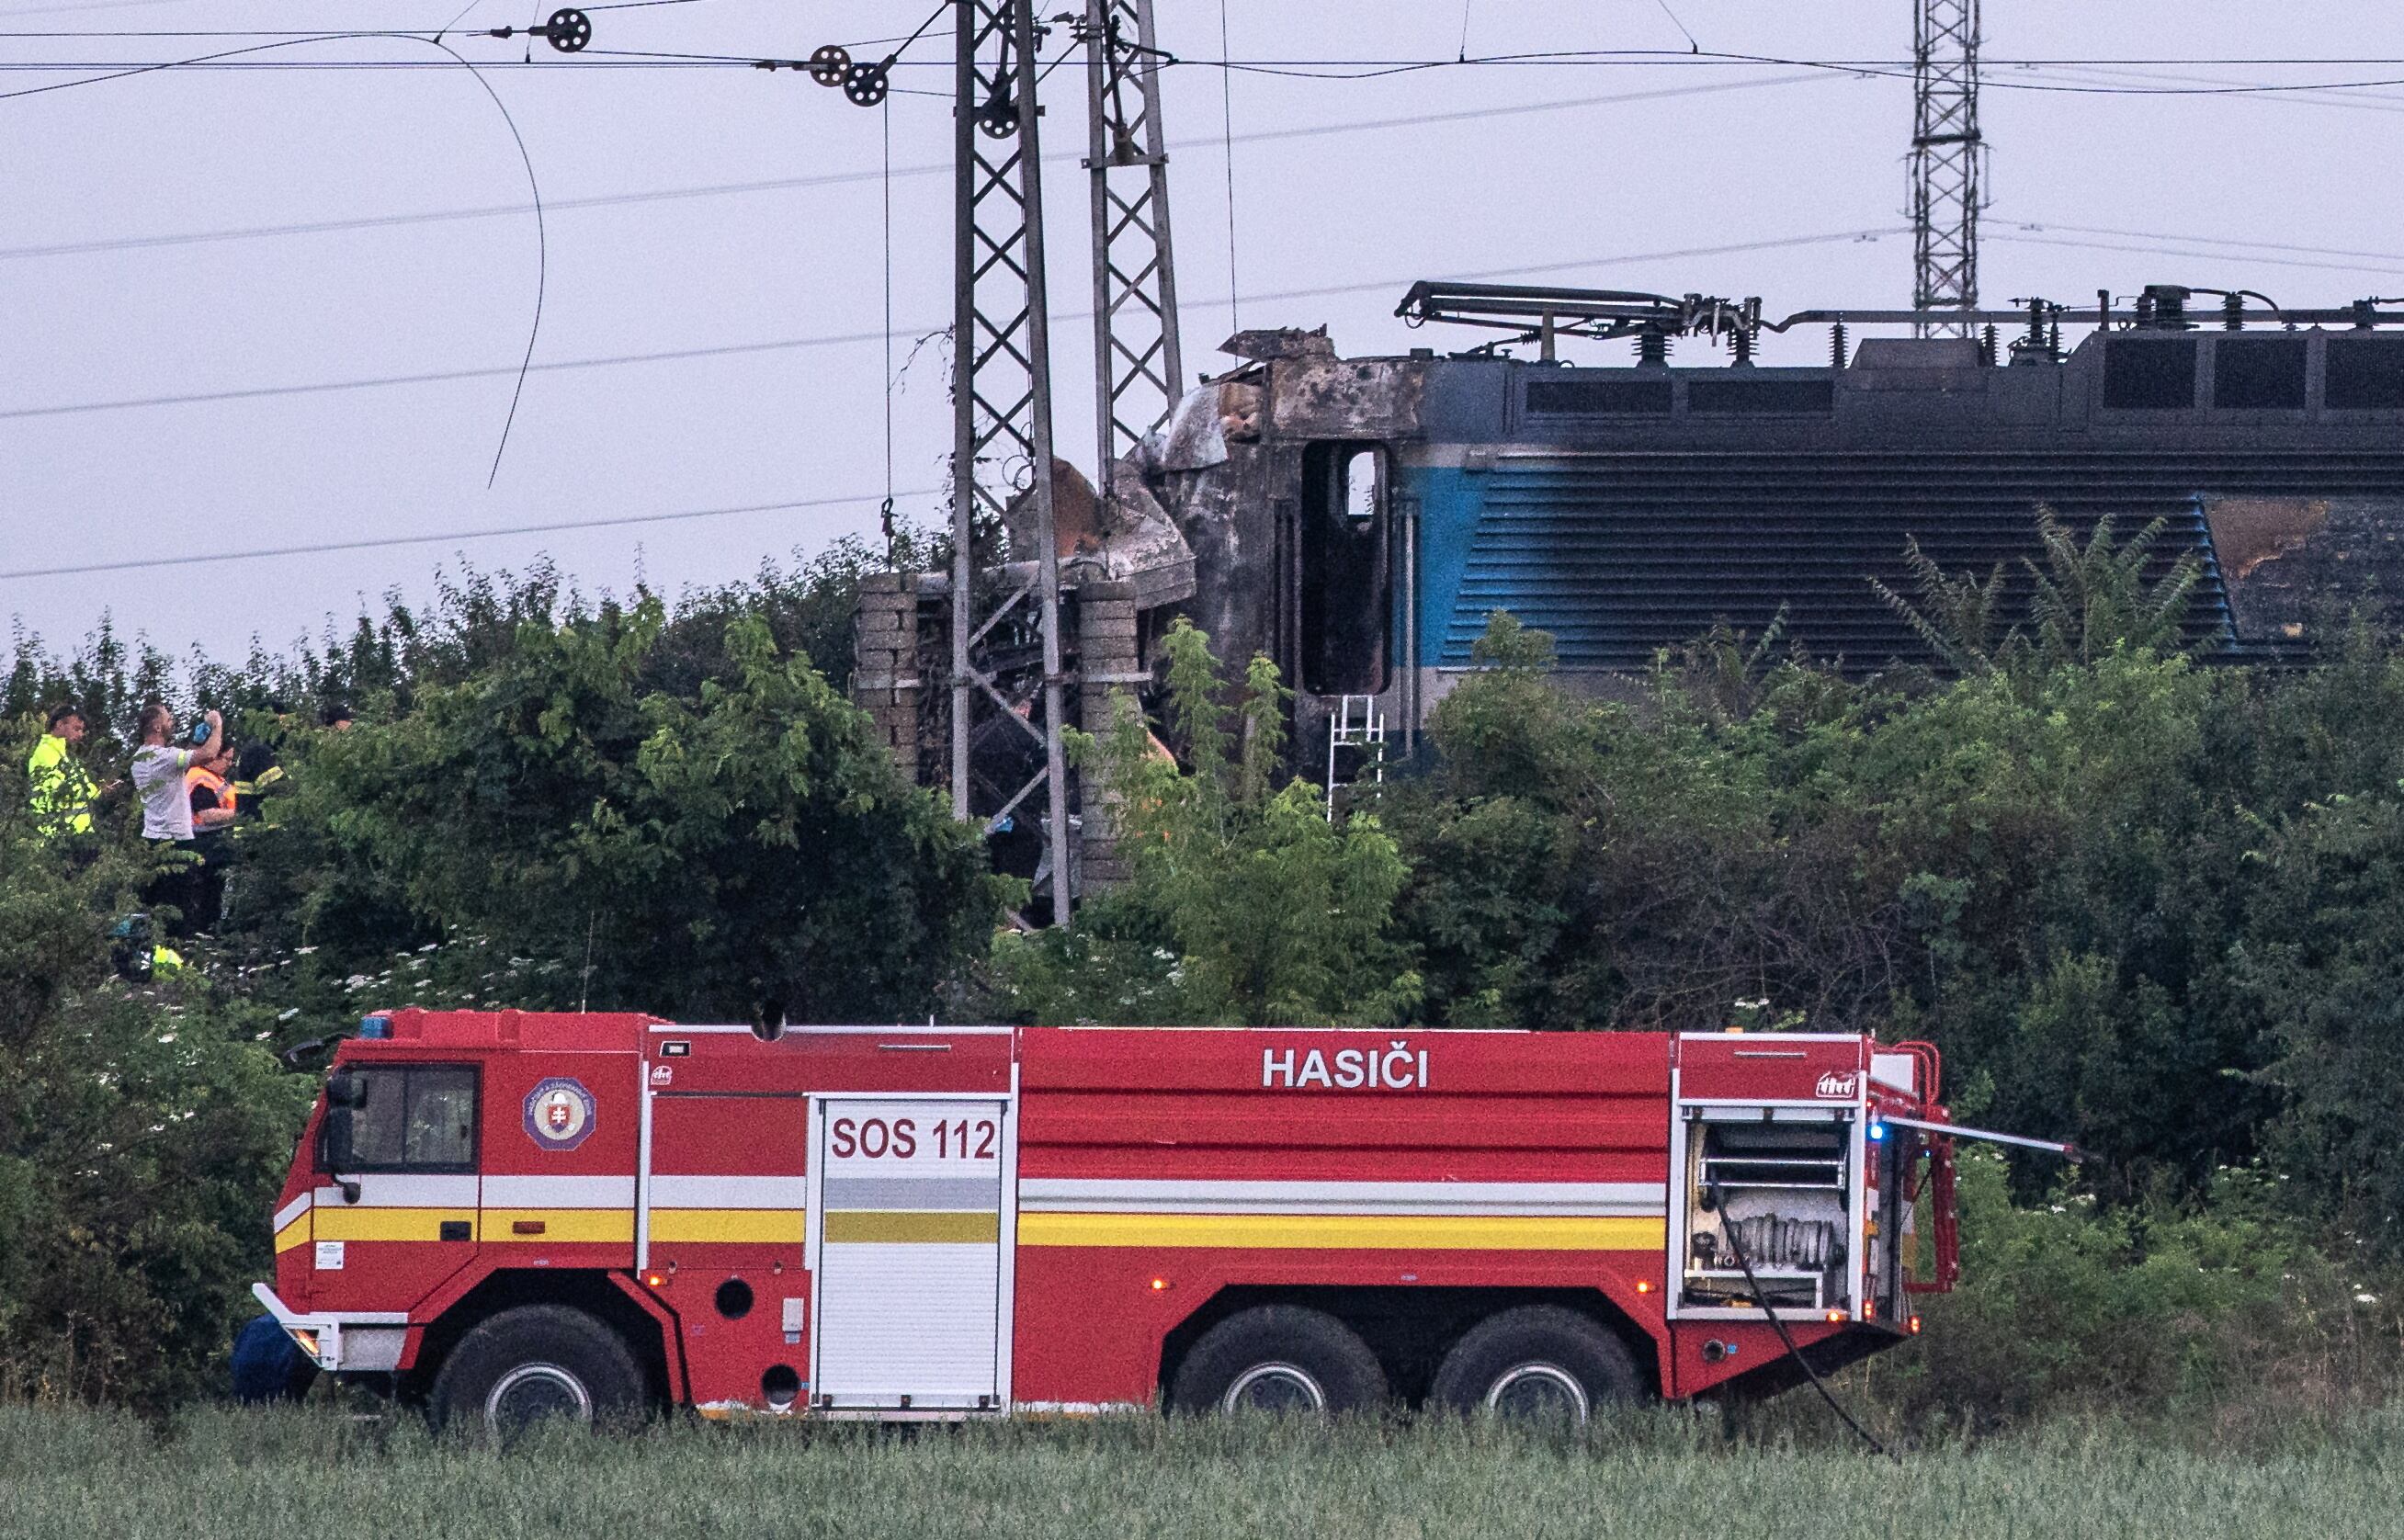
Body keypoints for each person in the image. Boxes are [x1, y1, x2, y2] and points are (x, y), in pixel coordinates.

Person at [132, 701, 231, 934]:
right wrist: (217, 726)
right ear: (157, 727)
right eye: (167, 719)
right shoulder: (163, 757)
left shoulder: (140, 757)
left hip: (152, 839)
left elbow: (178, 763)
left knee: (156, 906)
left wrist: (195, 742)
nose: (172, 722)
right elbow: (208, 755)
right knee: (178, 910)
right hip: (176, 841)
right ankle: (177, 956)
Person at [27, 702, 103, 838]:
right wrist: (96, 790)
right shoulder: (45, 752)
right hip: (60, 835)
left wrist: (100, 789)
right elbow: (62, 789)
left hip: (80, 834)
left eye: (81, 730)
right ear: (60, 724)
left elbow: (83, 787)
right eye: (76, 728)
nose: (80, 734)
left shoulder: (67, 757)